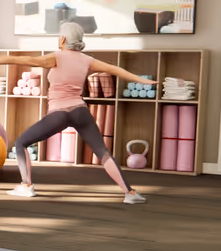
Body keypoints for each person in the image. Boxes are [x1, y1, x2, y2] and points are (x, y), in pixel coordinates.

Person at [8, 21, 154, 204]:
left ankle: (26, 186)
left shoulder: (55, 57)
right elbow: (115, 69)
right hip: (80, 111)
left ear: (62, 39)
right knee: (103, 152)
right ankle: (130, 193)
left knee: (21, 142)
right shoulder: (86, 59)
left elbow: (18, 60)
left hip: (59, 114)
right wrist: (143, 81)